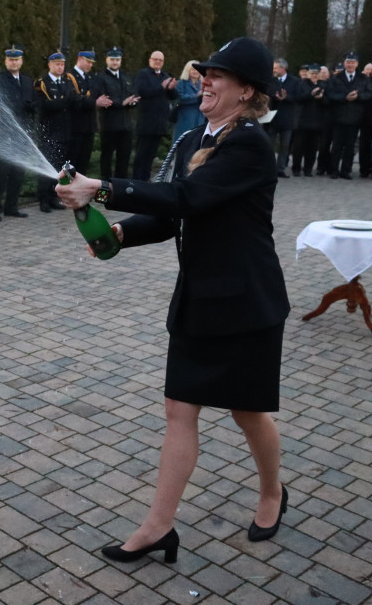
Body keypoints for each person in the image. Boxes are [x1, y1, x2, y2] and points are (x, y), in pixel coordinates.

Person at [56, 36, 290, 563]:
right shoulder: (189, 141)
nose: (204, 79)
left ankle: (273, 493)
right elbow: (169, 216)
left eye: (219, 76)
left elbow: (192, 198)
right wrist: (120, 233)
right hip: (199, 300)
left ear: (246, 90)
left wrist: (104, 187)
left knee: (246, 411)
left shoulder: (250, 145)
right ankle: (158, 527)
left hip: (247, 303)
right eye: (205, 72)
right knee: (178, 409)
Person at [0, 45, 34, 221]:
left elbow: (33, 102)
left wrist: (32, 108)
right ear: (6, 61)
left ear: (21, 61)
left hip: (22, 133)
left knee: (18, 171)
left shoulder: (28, 81)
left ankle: (11, 206)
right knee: (1, 172)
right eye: (10, 60)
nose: (14, 62)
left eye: (16, 59)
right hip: (4, 132)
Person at [35, 51, 79, 211]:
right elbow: (44, 106)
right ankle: (43, 200)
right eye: (56, 64)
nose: (60, 67)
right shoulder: (42, 83)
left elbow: (74, 102)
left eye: (62, 64)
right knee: (48, 166)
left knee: (59, 168)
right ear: (50, 65)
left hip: (65, 132)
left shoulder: (67, 83)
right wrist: (65, 102)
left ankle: (54, 197)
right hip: (50, 132)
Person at [324, 53, 372, 179]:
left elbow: (368, 94)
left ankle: (346, 170)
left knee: (350, 146)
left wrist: (358, 97)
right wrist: (344, 98)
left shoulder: (363, 78)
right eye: (348, 62)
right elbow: (330, 94)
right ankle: (333, 170)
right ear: (345, 63)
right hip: (338, 116)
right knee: (336, 145)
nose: (350, 64)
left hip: (355, 117)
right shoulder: (336, 78)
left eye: (353, 62)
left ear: (357, 64)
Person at [93, 47, 139, 179]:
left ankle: (120, 186)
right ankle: (106, 184)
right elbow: (103, 99)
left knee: (124, 157)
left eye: (117, 60)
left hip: (126, 125)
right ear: (107, 60)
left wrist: (133, 102)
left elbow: (133, 94)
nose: (115, 62)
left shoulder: (125, 76)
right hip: (109, 124)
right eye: (112, 60)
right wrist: (122, 103)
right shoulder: (101, 77)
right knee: (107, 156)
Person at [134, 50, 178, 180]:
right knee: (141, 155)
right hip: (146, 121)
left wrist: (171, 88)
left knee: (151, 155)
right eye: (155, 59)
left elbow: (173, 96)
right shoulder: (143, 74)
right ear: (150, 60)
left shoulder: (165, 75)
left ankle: (146, 180)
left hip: (160, 123)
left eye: (160, 60)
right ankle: (137, 180)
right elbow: (142, 92)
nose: (158, 62)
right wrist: (162, 87)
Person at [66, 49, 108, 174]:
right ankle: (66, 188)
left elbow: (97, 94)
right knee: (71, 161)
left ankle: (79, 189)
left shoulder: (90, 77)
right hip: (75, 126)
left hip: (89, 126)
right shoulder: (69, 76)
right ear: (79, 59)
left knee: (84, 161)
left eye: (92, 63)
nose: (90, 65)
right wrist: (94, 102)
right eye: (88, 62)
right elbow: (74, 98)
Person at [265, 58, 304, 178]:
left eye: (276, 68)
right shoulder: (270, 80)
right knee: (269, 145)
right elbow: (265, 93)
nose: (274, 70)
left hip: (287, 118)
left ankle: (280, 168)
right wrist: (274, 96)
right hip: (271, 117)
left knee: (285, 145)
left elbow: (298, 97)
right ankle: (268, 169)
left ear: (283, 68)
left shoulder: (295, 81)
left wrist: (285, 98)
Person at [290, 64, 328, 177]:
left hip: (317, 121)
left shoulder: (323, 85)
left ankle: (308, 169)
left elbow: (328, 102)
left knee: (312, 148)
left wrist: (321, 98)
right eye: (312, 74)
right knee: (298, 147)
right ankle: (296, 168)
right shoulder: (301, 84)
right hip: (302, 120)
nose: (314, 76)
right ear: (308, 74)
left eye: (316, 74)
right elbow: (297, 98)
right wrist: (310, 94)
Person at [172, 60, 205, 142]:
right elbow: (180, 99)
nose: (195, 72)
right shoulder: (180, 83)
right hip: (185, 117)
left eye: (197, 70)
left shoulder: (202, 84)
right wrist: (197, 96)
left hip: (200, 118)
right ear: (188, 70)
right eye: (193, 69)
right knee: (182, 142)